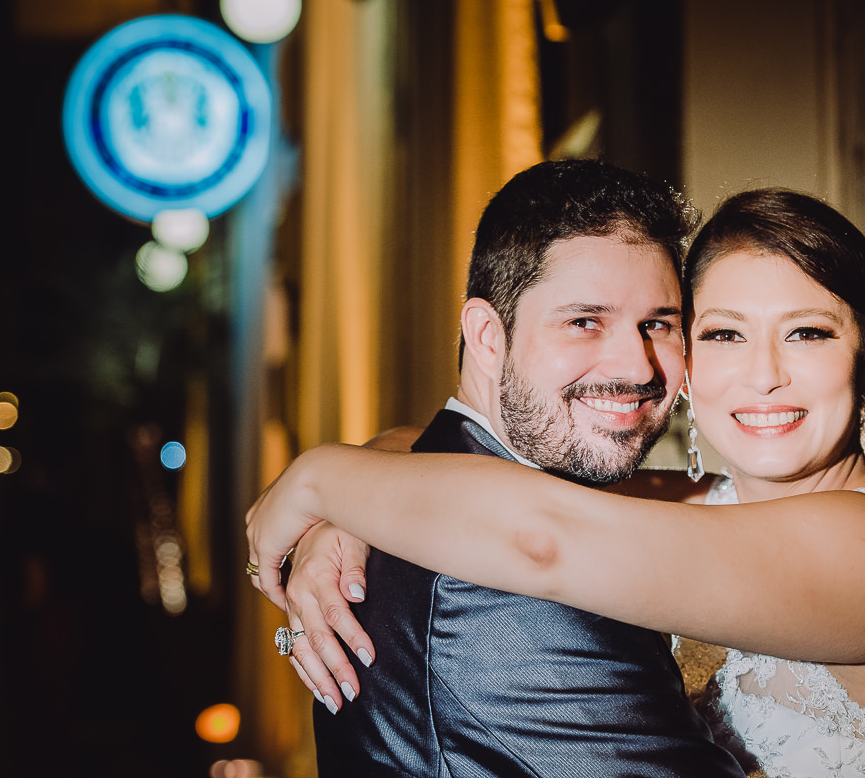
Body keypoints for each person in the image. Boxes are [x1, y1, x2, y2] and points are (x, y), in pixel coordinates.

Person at [247, 187, 865, 777]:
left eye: (808, 333)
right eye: (722, 333)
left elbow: (543, 536)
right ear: (688, 359)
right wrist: (353, 500)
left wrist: (318, 479)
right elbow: (489, 469)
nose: (763, 376)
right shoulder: (707, 502)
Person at [249, 159, 747, 777]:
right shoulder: (502, 599)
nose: (638, 366)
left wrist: (336, 474)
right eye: (584, 322)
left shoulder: (417, 489)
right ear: (487, 336)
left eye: (657, 324)